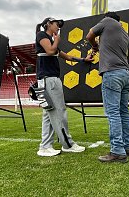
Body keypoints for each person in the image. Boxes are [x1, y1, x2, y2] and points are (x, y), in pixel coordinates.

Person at [35, 17, 92, 157]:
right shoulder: (42, 35)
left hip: (47, 80)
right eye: (56, 24)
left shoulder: (51, 41)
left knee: (48, 115)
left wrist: (82, 59)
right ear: (48, 24)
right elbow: (50, 51)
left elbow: (66, 56)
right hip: (49, 80)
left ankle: (45, 146)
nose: (58, 27)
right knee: (59, 112)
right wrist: (57, 41)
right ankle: (68, 145)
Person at [86, 11, 129, 163]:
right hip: (126, 74)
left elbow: (89, 35)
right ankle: (127, 147)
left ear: (107, 18)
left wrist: (95, 45)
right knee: (123, 112)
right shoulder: (124, 32)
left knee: (113, 113)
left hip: (112, 73)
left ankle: (117, 151)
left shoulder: (107, 21)